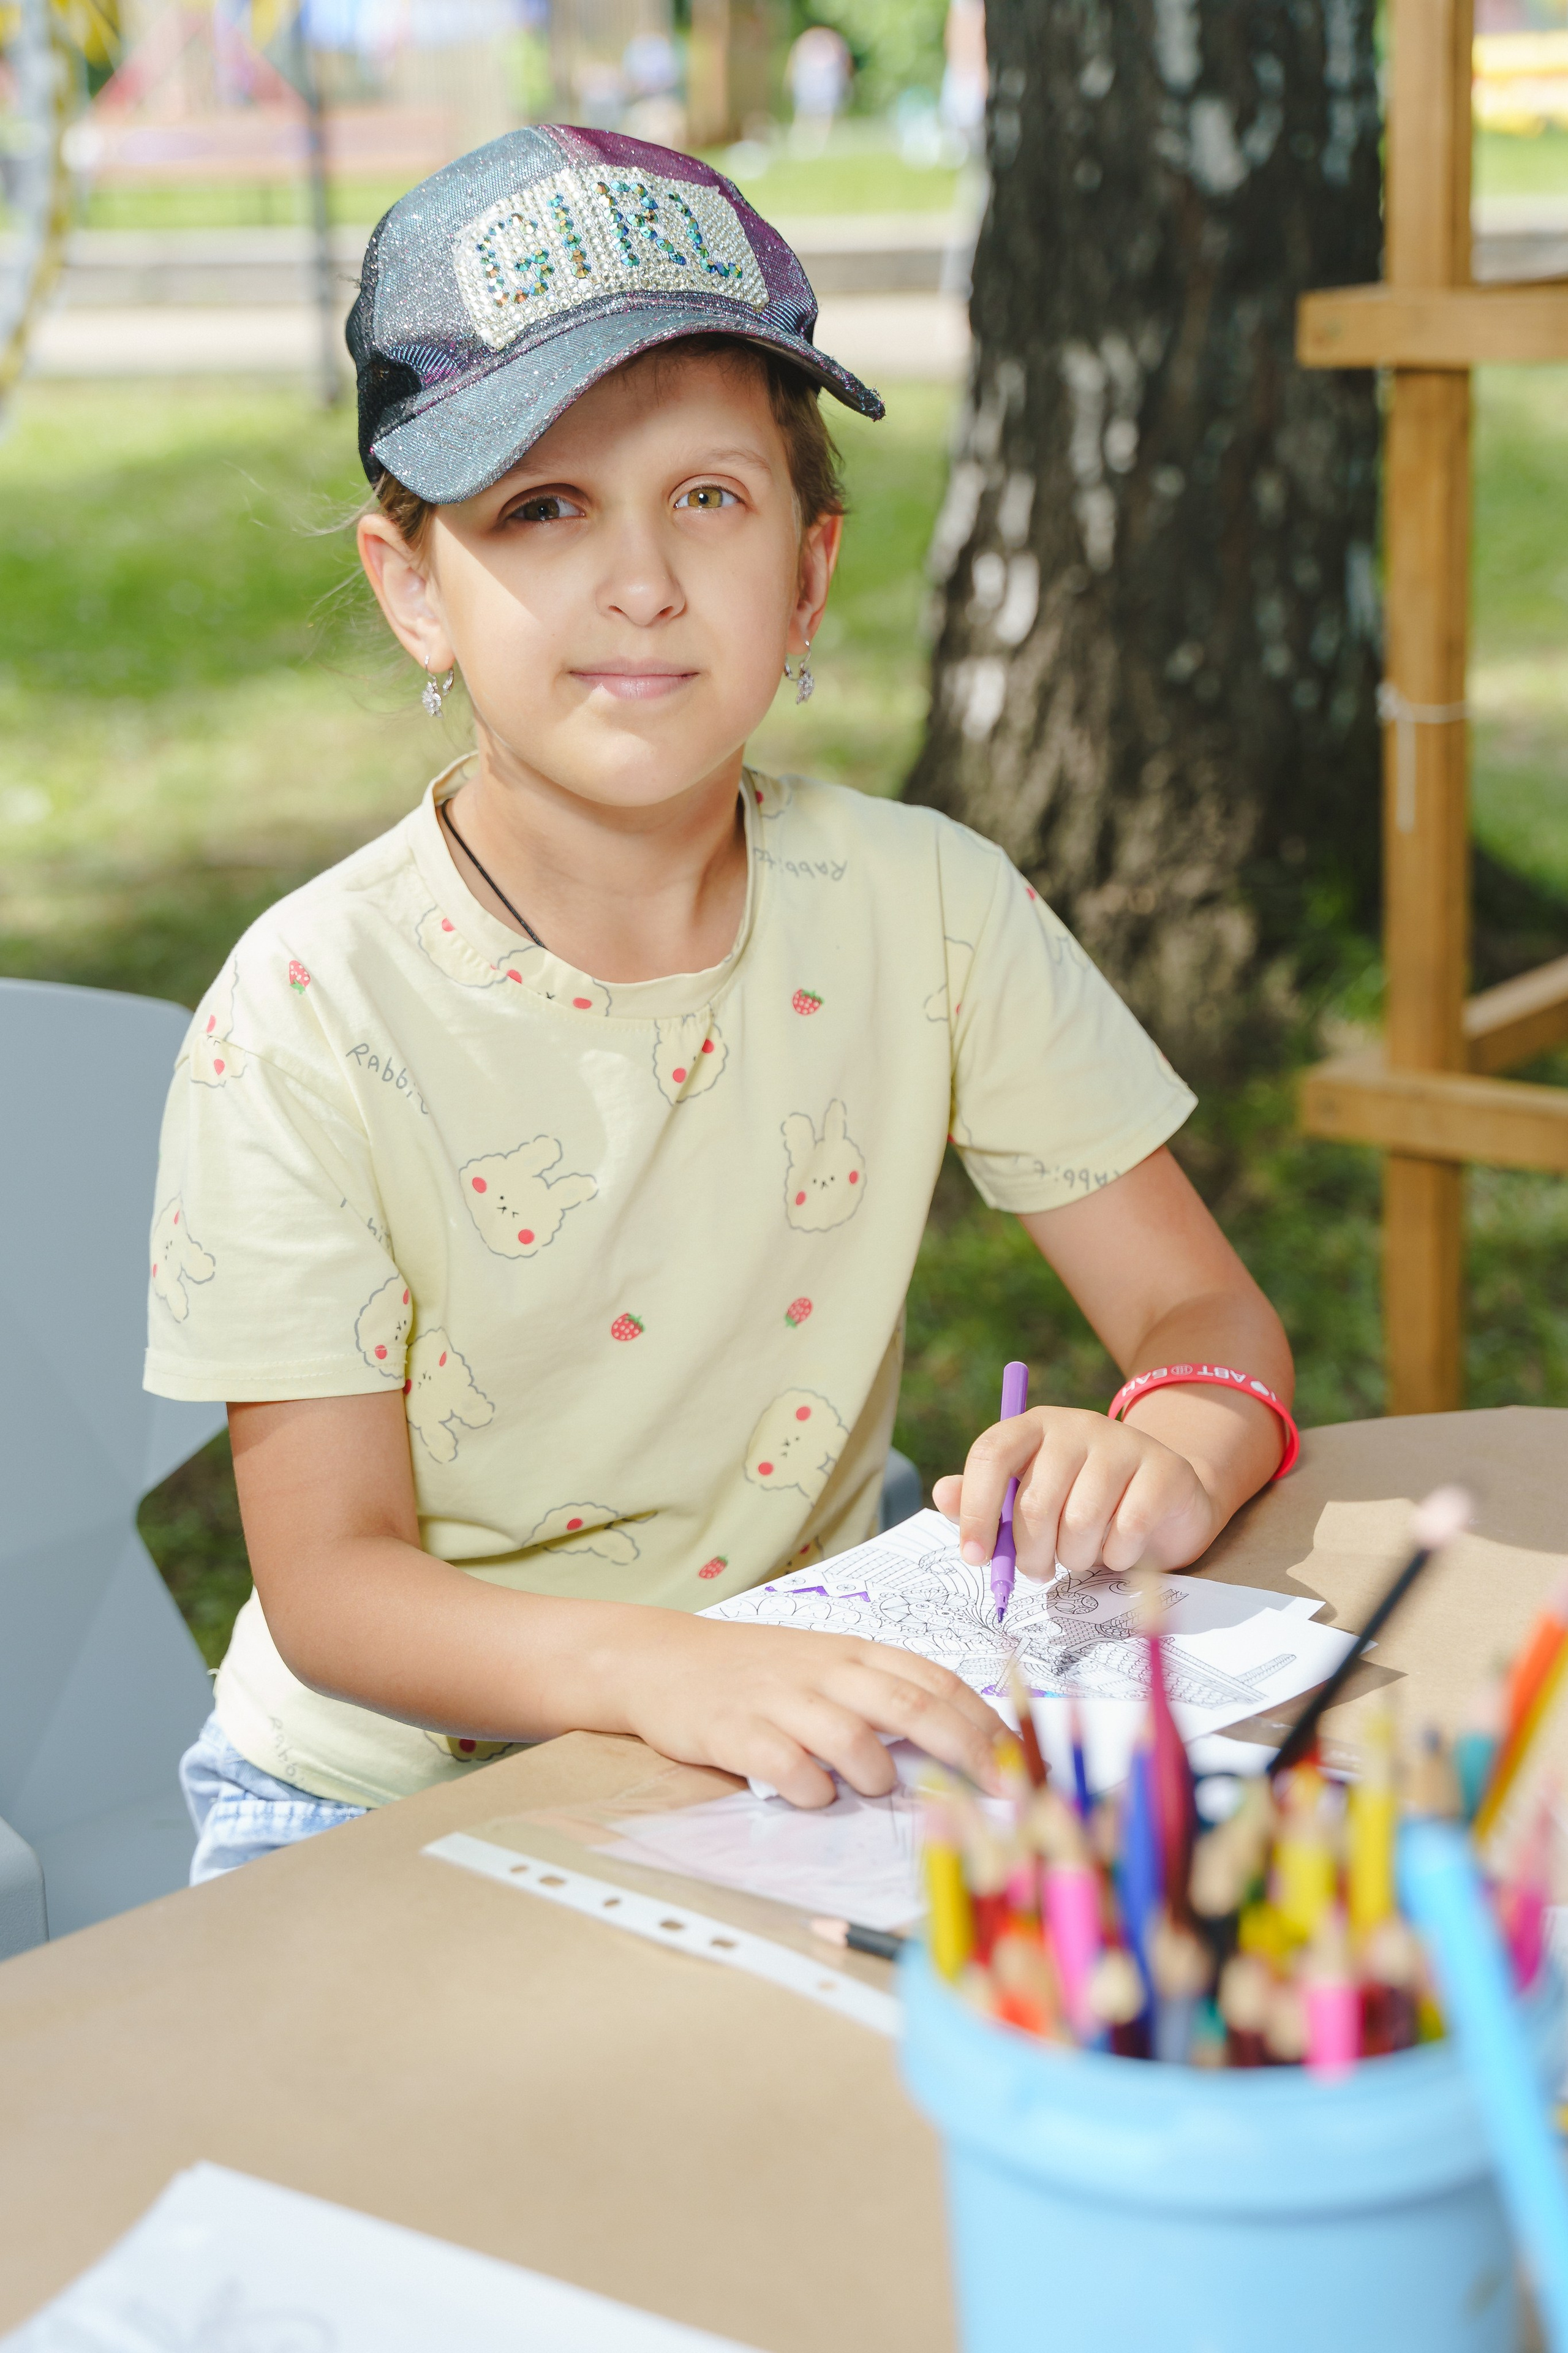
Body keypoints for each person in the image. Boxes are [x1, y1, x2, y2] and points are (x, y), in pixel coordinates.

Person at [146, 126, 1294, 1881]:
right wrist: (676, 1673)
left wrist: (1166, 1446)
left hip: (801, 1744)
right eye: (543, 506)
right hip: (379, 1804)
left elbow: (1201, 1308)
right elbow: (332, 1588)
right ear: (412, 591)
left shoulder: (931, 907)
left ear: (810, 572)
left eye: (709, 497)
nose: (643, 581)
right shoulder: (308, 1008)